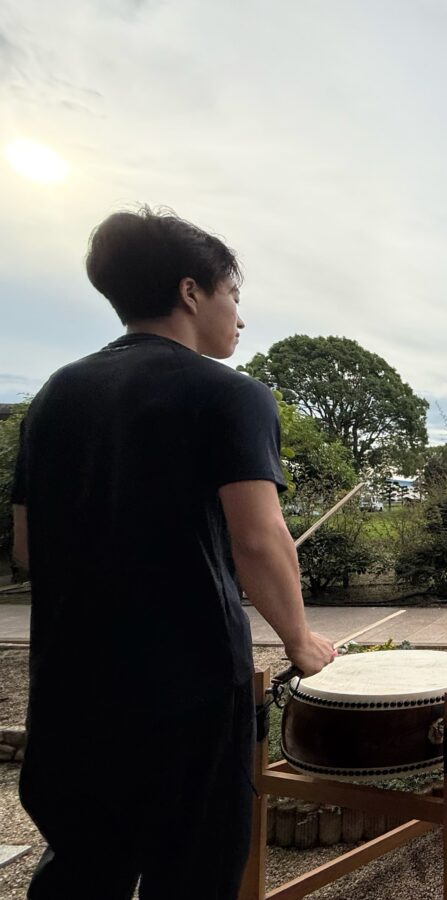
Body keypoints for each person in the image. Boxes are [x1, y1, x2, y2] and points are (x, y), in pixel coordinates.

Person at [10, 207, 337, 899]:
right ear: (192, 292)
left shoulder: (54, 397)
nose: (240, 319)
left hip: (70, 694)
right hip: (186, 699)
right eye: (235, 297)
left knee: (81, 872)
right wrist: (302, 641)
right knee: (190, 876)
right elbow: (259, 537)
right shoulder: (230, 395)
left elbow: (28, 547)